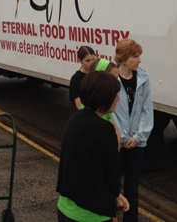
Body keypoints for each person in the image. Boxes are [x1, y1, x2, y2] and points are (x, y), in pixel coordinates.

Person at [57, 71, 130, 222]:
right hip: (91, 215)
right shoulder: (105, 129)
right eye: (114, 94)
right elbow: (112, 175)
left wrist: (116, 196)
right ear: (103, 96)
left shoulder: (75, 119)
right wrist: (115, 197)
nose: (118, 98)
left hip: (66, 207)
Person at [113, 39, 154, 222]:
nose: (139, 60)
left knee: (132, 189)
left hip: (137, 143)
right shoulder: (112, 79)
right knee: (112, 187)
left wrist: (138, 137)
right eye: (135, 56)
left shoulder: (143, 79)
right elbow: (108, 110)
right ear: (123, 58)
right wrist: (121, 136)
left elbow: (147, 110)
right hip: (116, 142)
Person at [68, 45, 96, 116]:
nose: (91, 63)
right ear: (80, 61)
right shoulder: (76, 79)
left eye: (93, 59)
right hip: (81, 116)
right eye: (88, 61)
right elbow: (79, 105)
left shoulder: (96, 74)